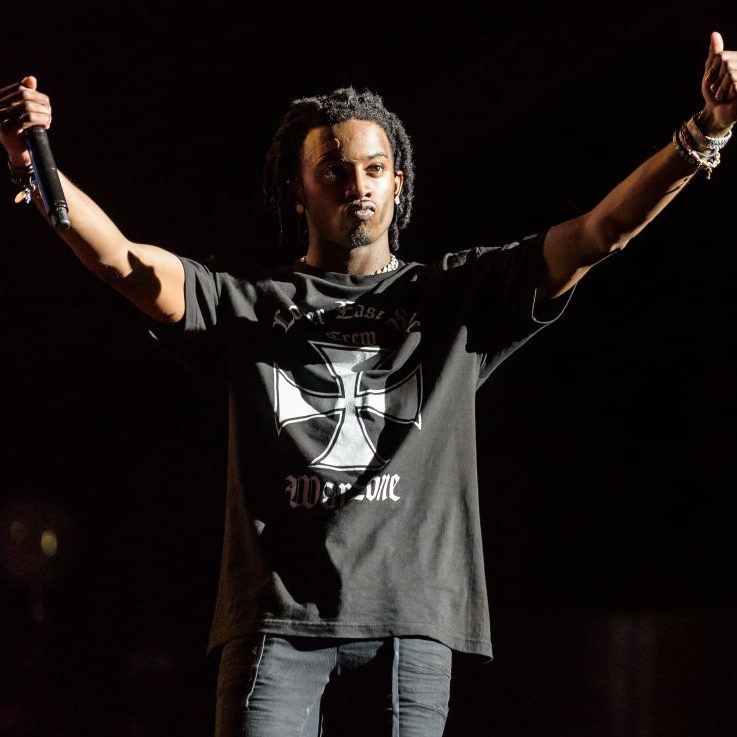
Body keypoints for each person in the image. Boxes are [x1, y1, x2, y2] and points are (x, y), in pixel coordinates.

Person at [1, 30, 735, 737]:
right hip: (278, 625)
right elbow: (123, 262)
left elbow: (600, 232)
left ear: (397, 181)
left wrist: (703, 131)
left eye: (375, 168)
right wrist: (36, 163)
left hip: (411, 619)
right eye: (334, 169)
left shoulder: (457, 298)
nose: (358, 184)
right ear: (297, 187)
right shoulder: (246, 307)